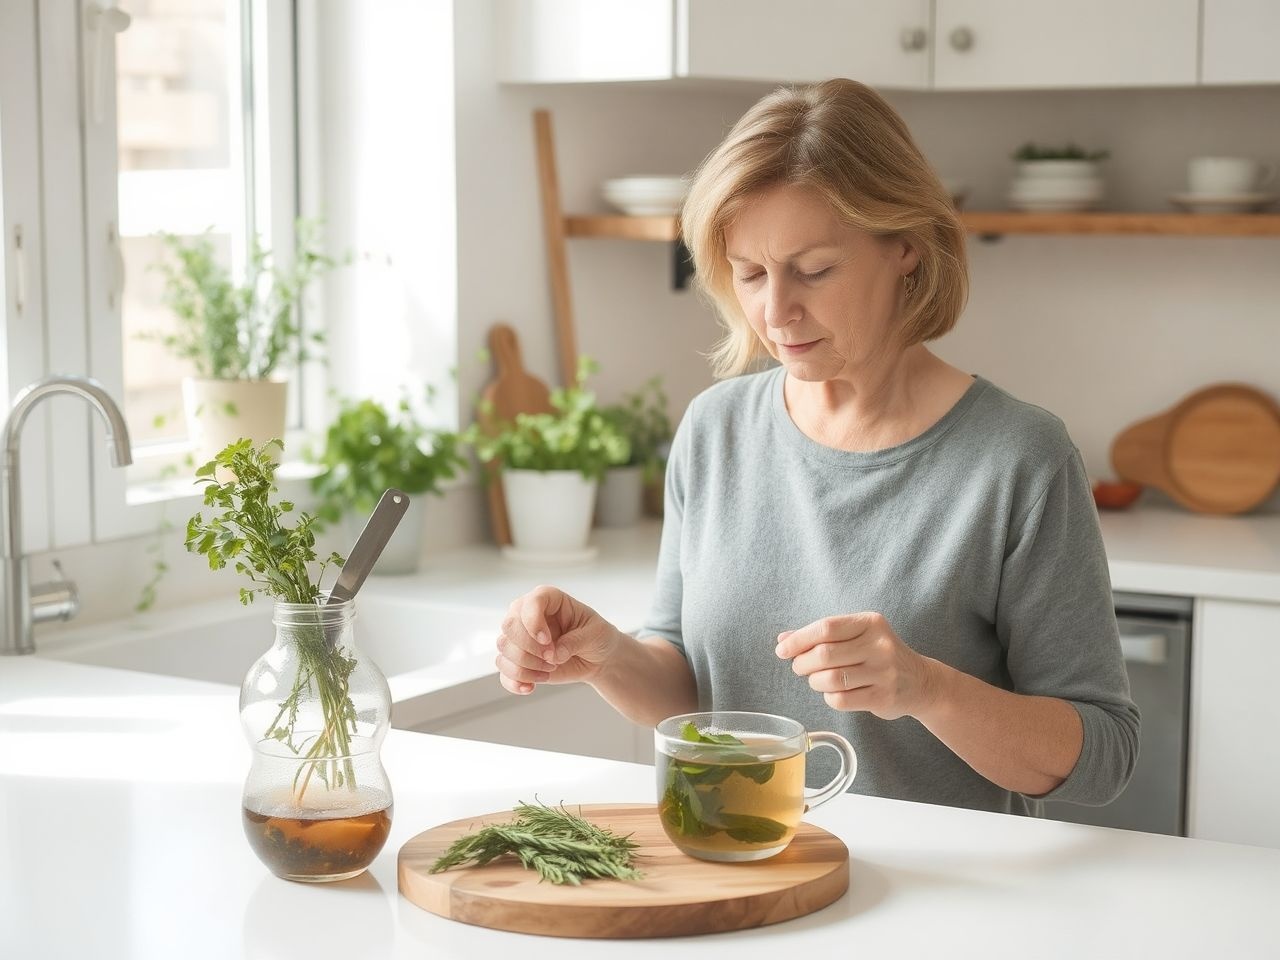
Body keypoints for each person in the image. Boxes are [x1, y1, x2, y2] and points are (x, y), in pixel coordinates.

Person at [494, 78, 1139, 816]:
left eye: (814, 270)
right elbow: (689, 685)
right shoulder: (714, 431)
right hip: (744, 874)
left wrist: (926, 688)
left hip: (938, 904)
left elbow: (1103, 756)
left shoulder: (1018, 456)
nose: (775, 312)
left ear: (906, 247)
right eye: (750, 274)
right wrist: (608, 656)